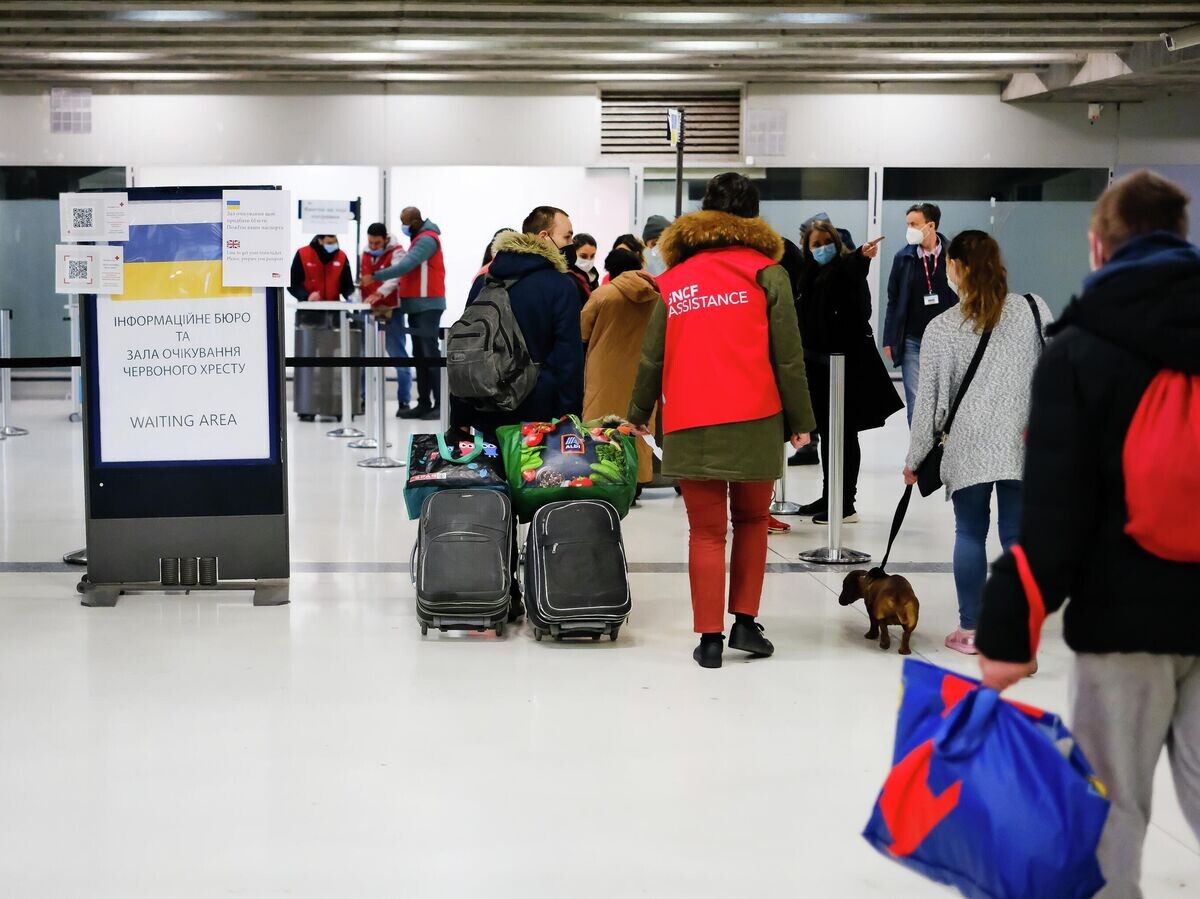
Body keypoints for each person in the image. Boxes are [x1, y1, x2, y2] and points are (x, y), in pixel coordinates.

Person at [976, 170, 1200, 897]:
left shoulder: (1079, 346)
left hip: (1122, 620)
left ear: (1099, 246)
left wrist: (1010, 633)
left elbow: (1053, 511)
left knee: (1109, 811)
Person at [628, 172, 815, 670]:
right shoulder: (767, 274)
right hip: (755, 417)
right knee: (752, 521)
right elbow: (788, 358)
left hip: (690, 418)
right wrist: (801, 420)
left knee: (705, 533)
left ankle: (709, 639)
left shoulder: (674, 280)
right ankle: (745, 624)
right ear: (752, 217)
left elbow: (652, 358)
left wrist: (637, 417)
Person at [902, 230, 1051, 655]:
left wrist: (915, 458)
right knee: (1018, 537)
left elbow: (929, 401)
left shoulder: (942, 328)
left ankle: (971, 630)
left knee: (969, 532)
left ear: (956, 268)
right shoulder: (1032, 308)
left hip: (966, 447)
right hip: (1023, 443)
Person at [796, 220, 902, 524]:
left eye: (825, 242)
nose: (820, 249)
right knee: (829, 435)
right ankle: (830, 495)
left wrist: (862, 257)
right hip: (817, 366)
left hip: (844, 366)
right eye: (815, 244)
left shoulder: (844, 269)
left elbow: (850, 271)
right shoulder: (809, 275)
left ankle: (845, 502)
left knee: (843, 434)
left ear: (836, 242)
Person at [450, 205, 584, 441]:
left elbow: (470, 344)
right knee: (537, 476)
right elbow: (568, 357)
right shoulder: (561, 286)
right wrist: (570, 416)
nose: (571, 243)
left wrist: (460, 416)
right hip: (540, 415)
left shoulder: (484, 281)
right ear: (544, 236)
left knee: (494, 474)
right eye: (567, 236)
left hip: (486, 403)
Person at [580, 248, 660, 486]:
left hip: (603, 370)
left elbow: (582, 331)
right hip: (643, 371)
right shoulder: (655, 296)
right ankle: (637, 479)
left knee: (602, 424)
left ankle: (603, 476)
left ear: (610, 270)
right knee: (639, 426)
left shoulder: (603, 294)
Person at [360, 206, 446, 421]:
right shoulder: (419, 238)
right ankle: (424, 403)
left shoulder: (427, 239)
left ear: (415, 222)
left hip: (427, 305)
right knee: (420, 357)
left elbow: (406, 265)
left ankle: (441, 405)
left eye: (404, 221)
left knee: (430, 356)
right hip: (417, 306)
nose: (403, 226)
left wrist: (376, 276)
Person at [883, 202, 957, 424]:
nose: (909, 229)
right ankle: (917, 457)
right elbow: (893, 300)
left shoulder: (953, 256)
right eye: (908, 224)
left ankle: (940, 455)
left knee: (946, 399)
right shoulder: (903, 258)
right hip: (912, 340)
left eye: (914, 224)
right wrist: (889, 338)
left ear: (931, 225)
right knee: (915, 401)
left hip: (947, 340)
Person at [289, 234, 355, 421]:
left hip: (332, 319)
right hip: (308, 317)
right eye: (329, 241)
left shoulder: (341, 256)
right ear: (320, 240)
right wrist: (305, 296)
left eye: (334, 240)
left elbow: (347, 286)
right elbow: (292, 283)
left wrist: (353, 296)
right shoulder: (302, 254)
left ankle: (330, 405)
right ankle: (306, 407)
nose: (332, 244)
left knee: (330, 363)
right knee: (307, 363)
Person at [360, 222, 412, 414]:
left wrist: (380, 292)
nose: (373, 246)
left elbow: (396, 276)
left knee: (398, 354)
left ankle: (404, 401)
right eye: (370, 242)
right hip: (367, 309)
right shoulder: (364, 253)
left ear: (385, 239)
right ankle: (363, 399)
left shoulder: (397, 252)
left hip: (391, 309)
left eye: (377, 243)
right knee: (365, 356)